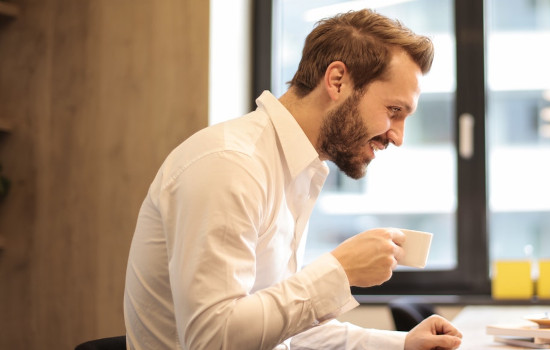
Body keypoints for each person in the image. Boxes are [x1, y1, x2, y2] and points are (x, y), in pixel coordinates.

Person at [123, 8, 463, 350]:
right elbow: (212, 339)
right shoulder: (230, 165)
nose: (398, 137)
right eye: (394, 111)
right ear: (337, 81)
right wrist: (339, 270)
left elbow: (284, 331)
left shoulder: (298, 170)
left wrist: (404, 344)